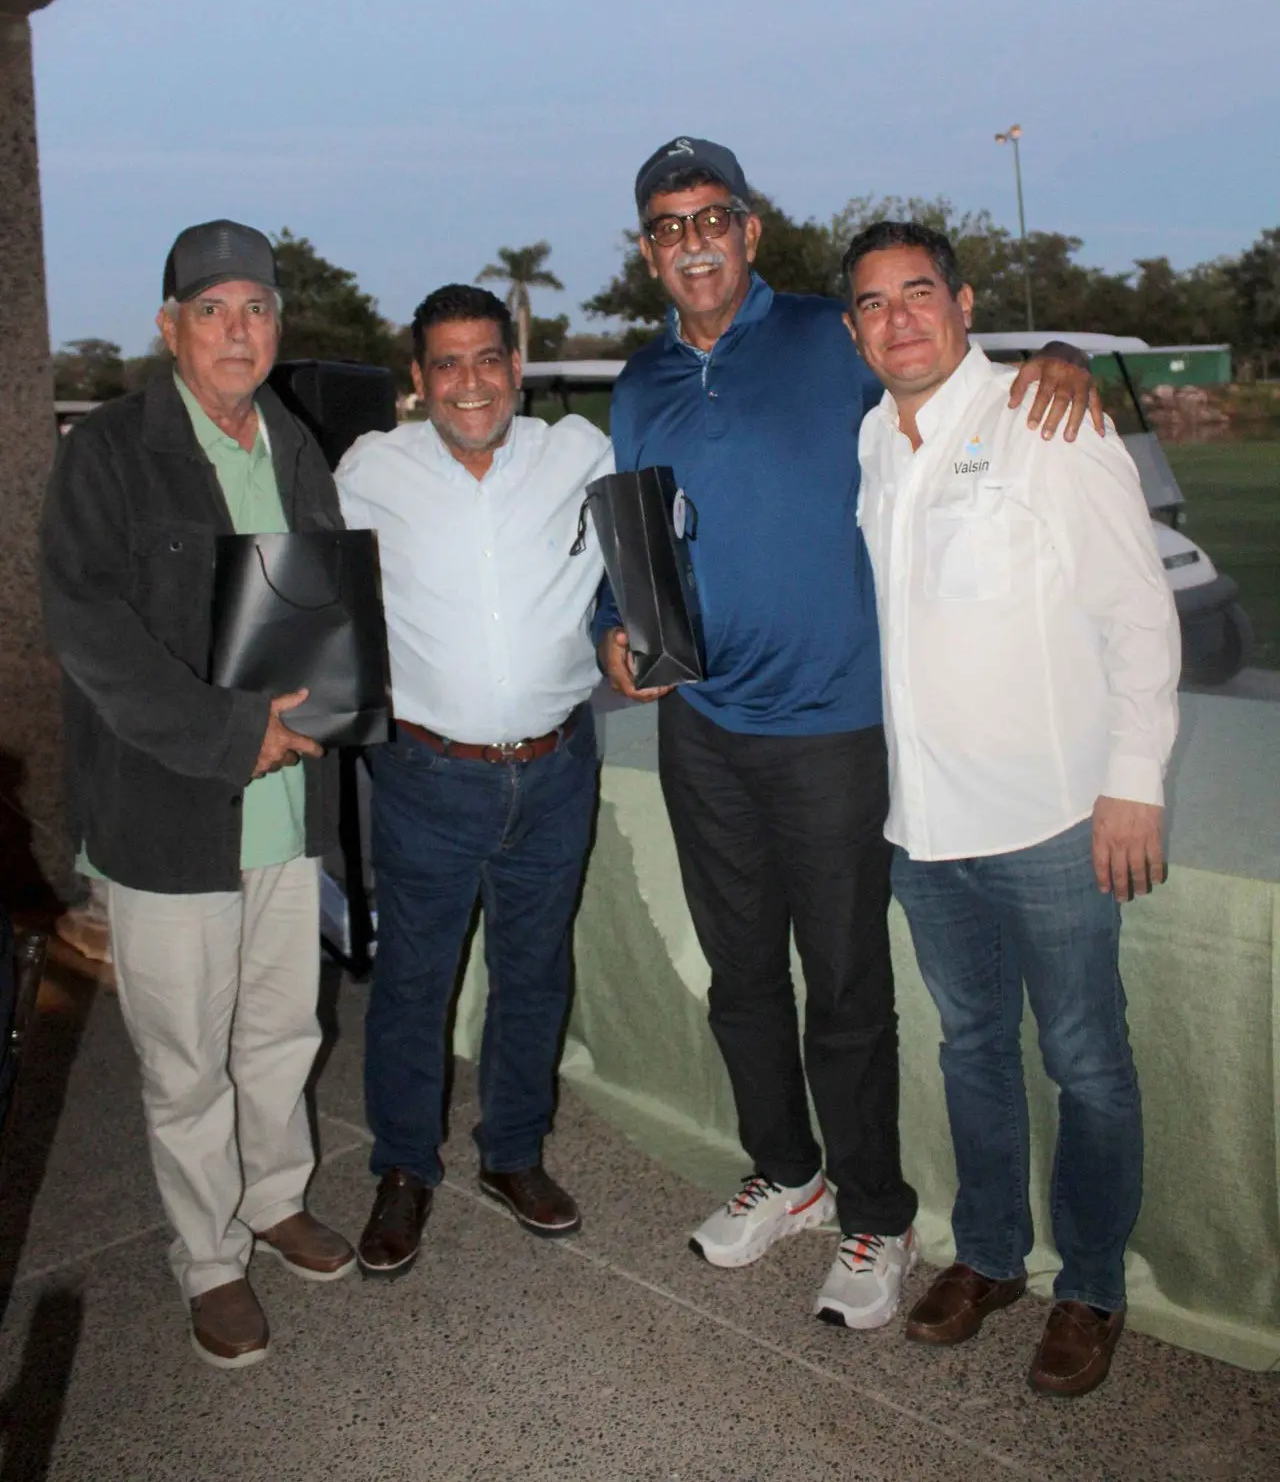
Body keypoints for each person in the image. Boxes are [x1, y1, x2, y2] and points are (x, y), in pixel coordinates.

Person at [599, 136, 1099, 1331]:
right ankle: (788, 1173)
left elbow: (945, 364)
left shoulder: (830, 335)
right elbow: (634, 542)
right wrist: (610, 627)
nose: (692, 242)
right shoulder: (640, 381)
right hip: (701, 727)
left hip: (830, 727)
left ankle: (875, 1213)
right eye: (667, 226)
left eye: (710, 217)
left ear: (748, 229)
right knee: (738, 979)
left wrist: (1059, 359)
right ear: (647, 250)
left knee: (842, 987)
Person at [845, 219, 1178, 1396]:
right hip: (924, 828)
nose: (897, 319)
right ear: (854, 330)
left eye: (916, 292)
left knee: (1085, 1063)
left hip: (1050, 820)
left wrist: (1132, 780)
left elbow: (1137, 611)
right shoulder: (872, 441)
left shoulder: (1046, 416)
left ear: (963, 303)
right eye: (872, 303)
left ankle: (1088, 1288)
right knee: (972, 1049)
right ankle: (988, 1256)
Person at [40, 220, 354, 1371]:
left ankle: (274, 1200)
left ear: (277, 325)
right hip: (167, 808)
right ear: (169, 327)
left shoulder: (293, 442)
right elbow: (88, 629)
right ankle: (210, 1258)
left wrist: (343, 702)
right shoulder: (110, 450)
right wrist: (231, 731)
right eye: (211, 310)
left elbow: (322, 599)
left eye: (255, 309)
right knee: (183, 1060)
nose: (236, 330)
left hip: (285, 808)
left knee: (280, 1029)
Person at [335, 284, 611, 1280]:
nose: (469, 382)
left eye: (486, 358)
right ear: (418, 379)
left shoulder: (580, 453)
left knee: (533, 972)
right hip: (427, 778)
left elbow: (642, 548)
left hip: (555, 769)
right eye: (446, 363)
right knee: (414, 982)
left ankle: (513, 1153)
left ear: (515, 367)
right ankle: (405, 1167)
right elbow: (312, 588)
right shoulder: (370, 472)